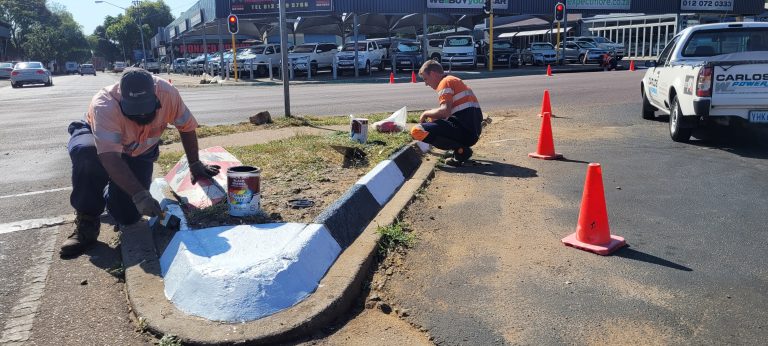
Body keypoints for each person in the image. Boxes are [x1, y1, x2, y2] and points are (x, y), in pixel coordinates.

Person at [61, 68, 220, 258]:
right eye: (135, 112)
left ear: (156, 97)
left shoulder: (168, 94)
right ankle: (87, 220)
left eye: (147, 109)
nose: (143, 117)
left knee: (128, 216)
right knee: (86, 154)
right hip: (100, 144)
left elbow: (187, 128)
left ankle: (114, 191)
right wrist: (139, 195)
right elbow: (110, 157)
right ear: (123, 101)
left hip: (140, 151)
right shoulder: (104, 105)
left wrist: (195, 164)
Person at [410, 59, 483, 166]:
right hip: (471, 132)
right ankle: (459, 149)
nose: (426, 83)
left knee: (417, 131)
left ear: (433, 74)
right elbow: (449, 114)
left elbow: (445, 111)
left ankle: (460, 150)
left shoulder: (445, 83)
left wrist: (426, 113)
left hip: (465, 133)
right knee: (433, 120)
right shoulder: (453, 80)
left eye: (426, 79)